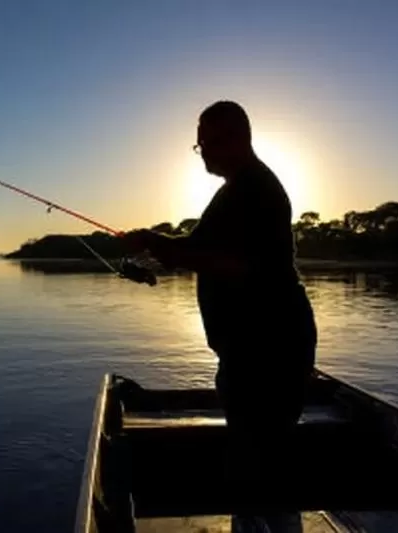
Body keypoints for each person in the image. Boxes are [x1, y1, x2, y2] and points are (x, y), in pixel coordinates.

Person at [123, 100, 318, 510]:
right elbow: (198, 249)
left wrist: (156, 243)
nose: (203, 153)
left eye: (207, 143)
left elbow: (239, 265)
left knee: (257, 460)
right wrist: (151, 246)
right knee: (258, 455)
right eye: (199, 145)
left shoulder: (256, 190)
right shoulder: (234, 191)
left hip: (270, 347)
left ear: (237, 138)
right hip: (248, 348)